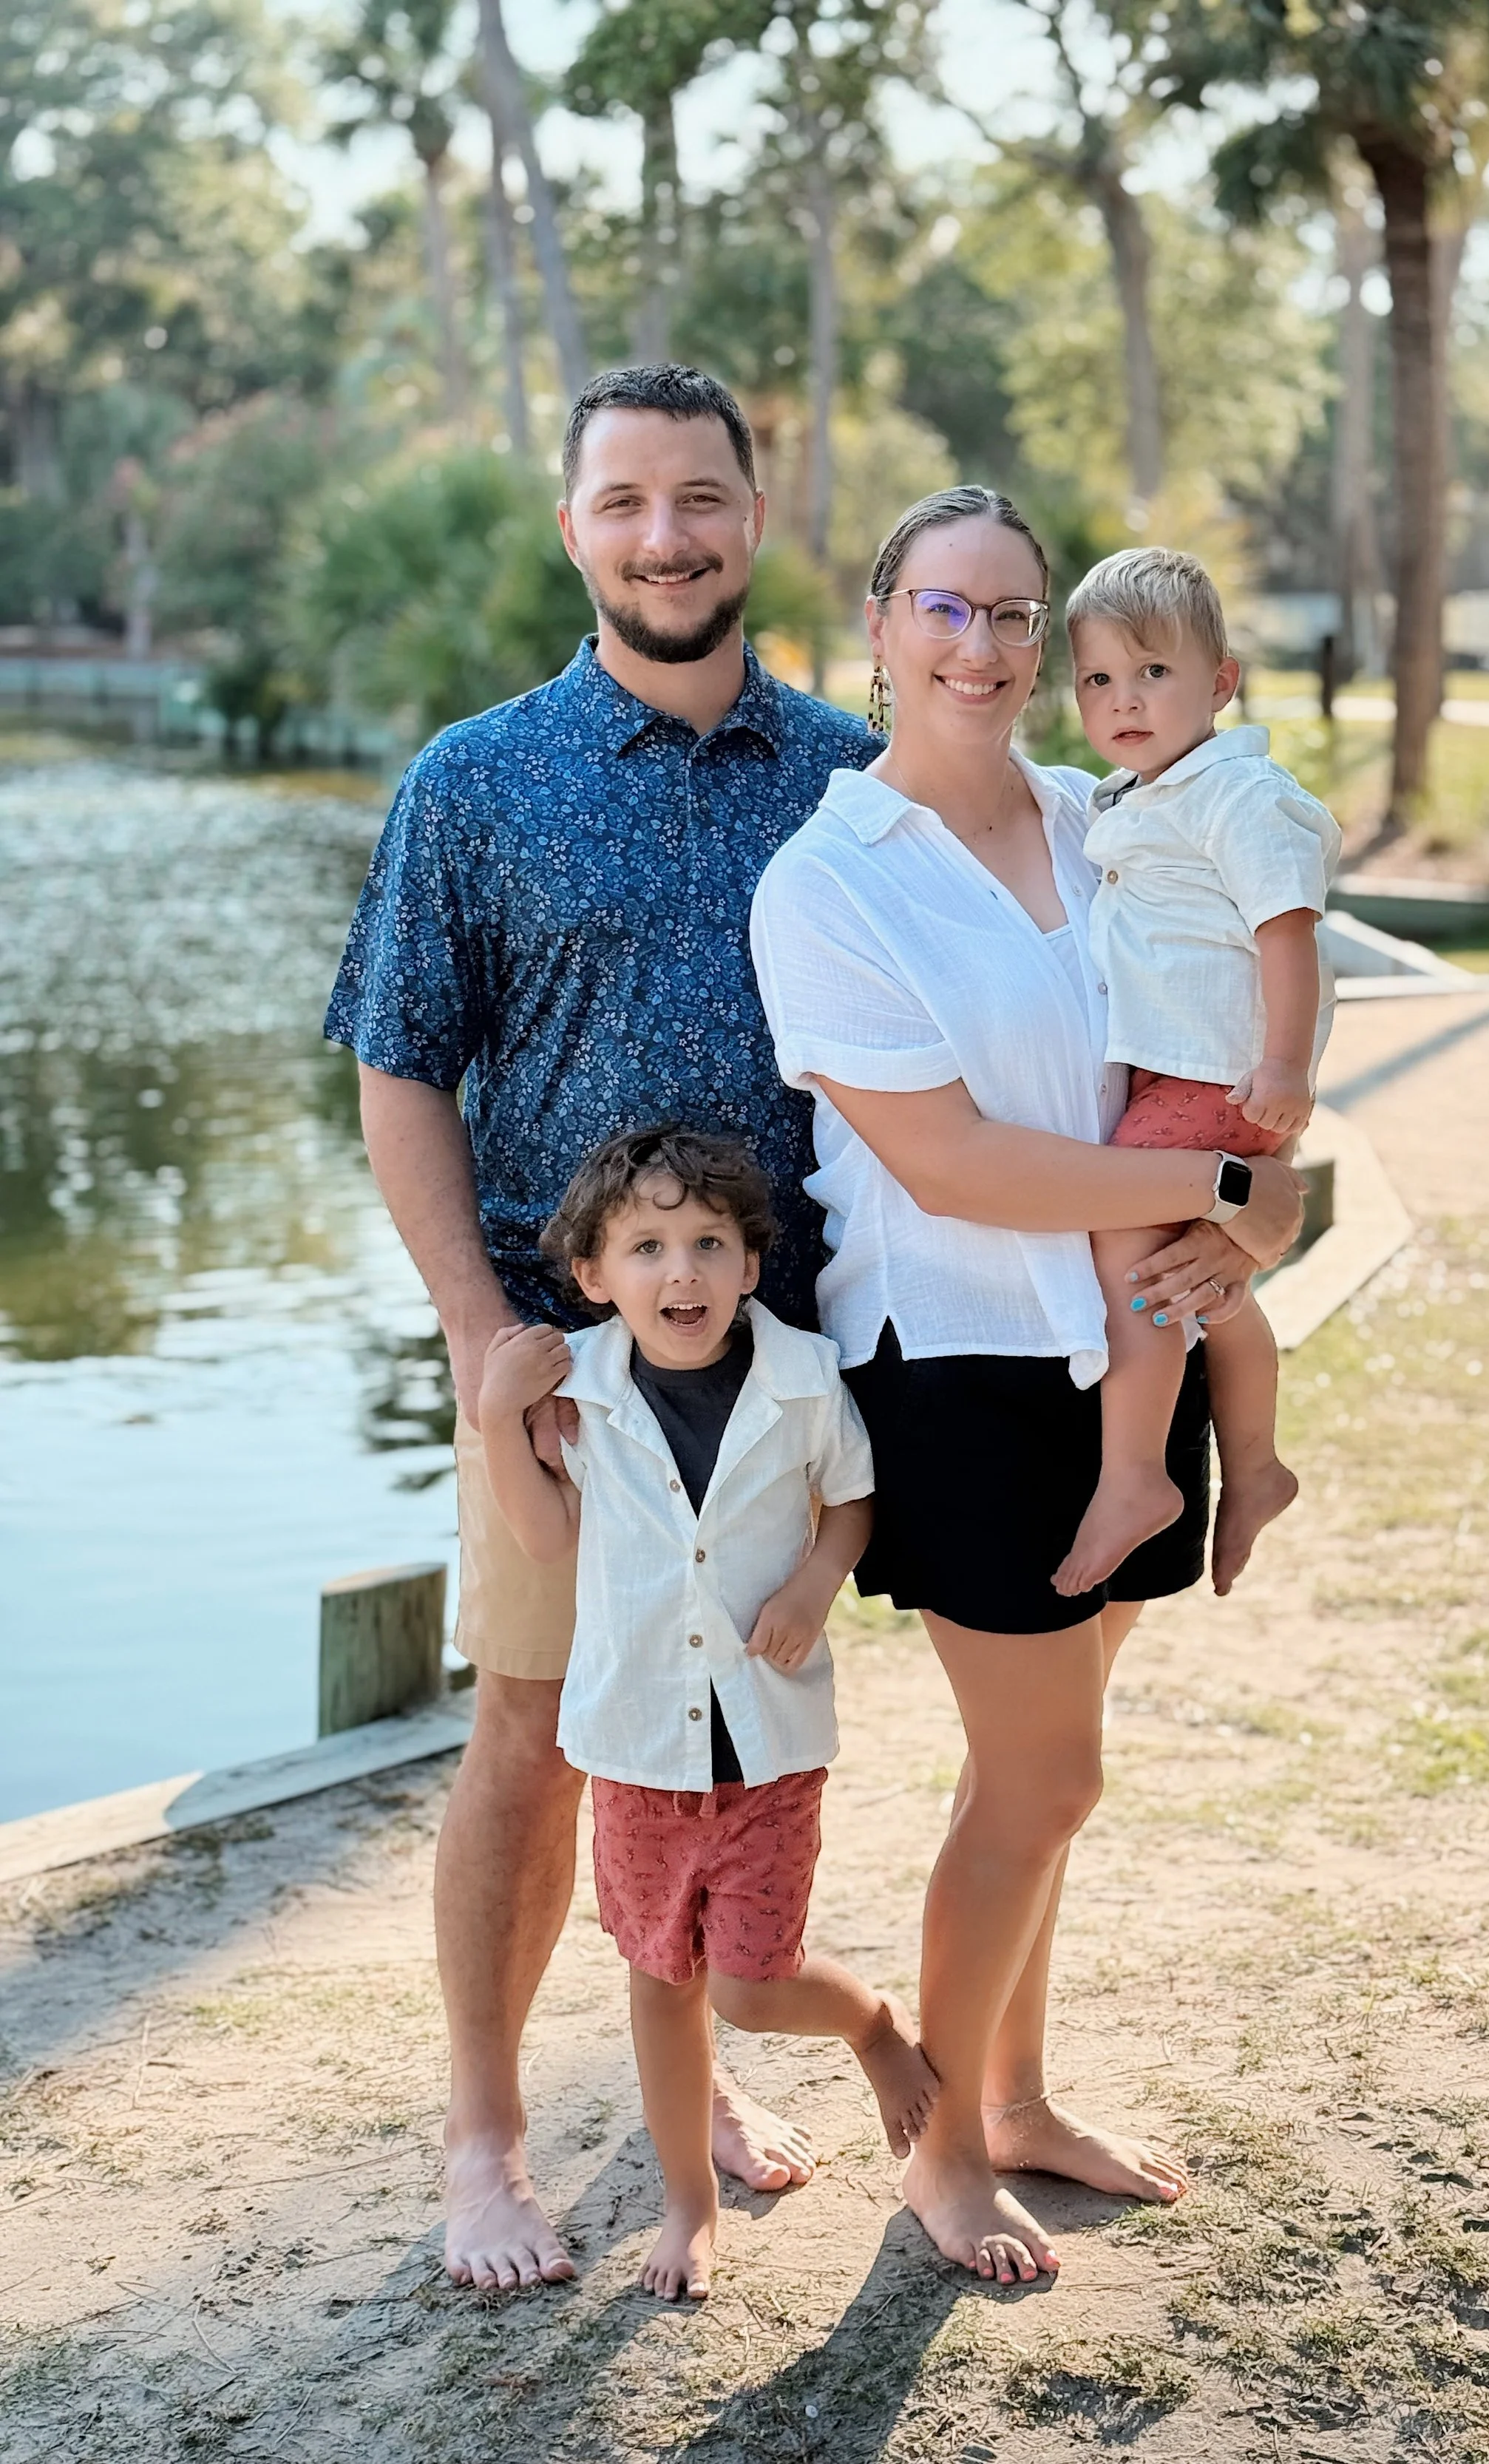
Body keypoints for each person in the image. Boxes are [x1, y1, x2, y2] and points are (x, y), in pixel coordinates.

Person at [323, 362, 881, 2293]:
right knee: (533, 1740)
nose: (667, 534)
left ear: (755, 510)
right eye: (625, 499)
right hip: (563, 1388)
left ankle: (687, 2088)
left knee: (727, 1752)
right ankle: (480, 2143)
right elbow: (399, 1072)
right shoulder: (473, 782)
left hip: (781, 1379)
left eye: (701, 496)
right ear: (573, 526)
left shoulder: (852, 777)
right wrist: (483, 1333)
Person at [750, 487, 1304, 2286]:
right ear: (879, 620)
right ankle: (935, 2152)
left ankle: (1017, 2096)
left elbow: (1221, 1054)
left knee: (1057, 1765)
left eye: (1014, 618)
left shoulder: (1115, 820)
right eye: (943, 610)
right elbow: (963, 1167)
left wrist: (1257, 1192)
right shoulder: (828, 879)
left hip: (1122, 1350)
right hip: (957, 1365)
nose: (980, 651)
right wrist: (1224, 1191)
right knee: (1038, 1781)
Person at [476, 1126, 935, 2301]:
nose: (679, 1273)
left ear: (747, 1262)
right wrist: (495, 1418)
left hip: (768, 1745)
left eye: (707, 1244)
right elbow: (544, 1539)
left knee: (748, 1983)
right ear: (593, 1274)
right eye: (646, 1248)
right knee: (659, 1980)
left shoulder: (804, 1378)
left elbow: (851, 1500)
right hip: (636, 1749)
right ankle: (689, 2205)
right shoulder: (571, 1387)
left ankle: (874, 2026)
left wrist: (812, 1584)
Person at [1054, 547, 1340, 1599]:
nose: (1123, 700)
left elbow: (1288, 931)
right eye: (1096, 680)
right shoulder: (1134, 794)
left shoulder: (1236, 795)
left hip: (1218, 1083)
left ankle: (1136, 1475)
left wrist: (1283, 1068)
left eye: (1153, 674)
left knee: (1130, 1260)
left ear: (1221, 682)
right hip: (1193, 1083)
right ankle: (1256, 1466)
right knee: (1205, 1290)